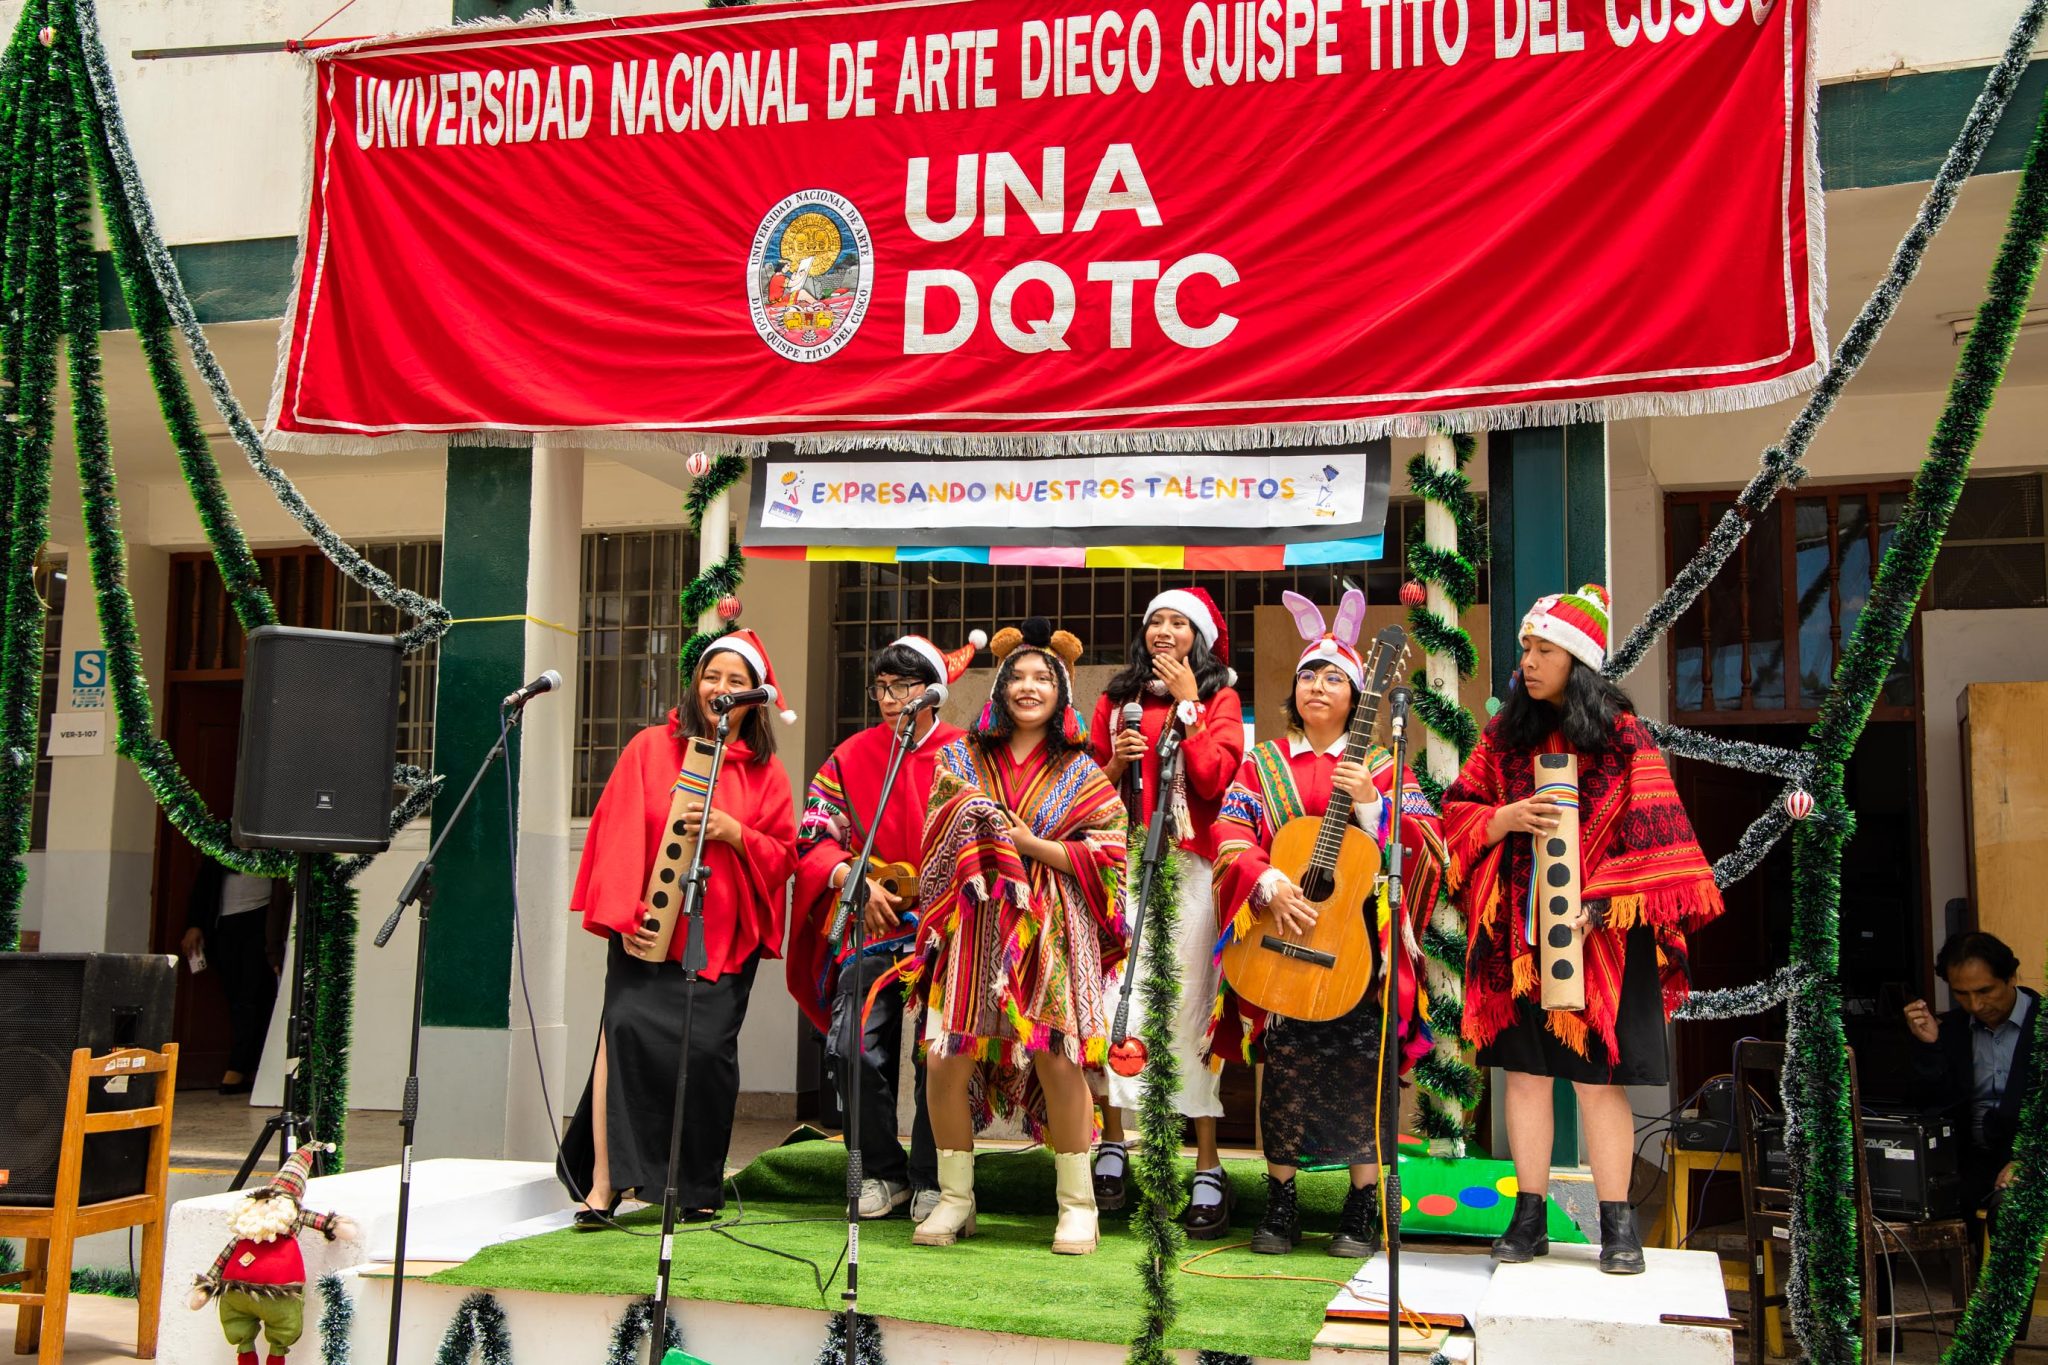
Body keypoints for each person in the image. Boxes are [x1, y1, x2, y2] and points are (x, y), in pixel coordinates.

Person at [1444, 584, 1724, 1274]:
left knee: (1598, 1081)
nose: (1527, 662)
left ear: (1578, 659)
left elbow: (1662, 835)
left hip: (1603, 938)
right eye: (1526, 650)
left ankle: (1618, 1224)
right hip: (1522, 939)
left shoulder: (1623, 733)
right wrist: (1503, 819)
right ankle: (1529, 1215)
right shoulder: (1503, 736)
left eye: (1542, 649)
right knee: (1526, 1077)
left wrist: (1600, 906)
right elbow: (1457, 810)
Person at [1209, 588, 1446, 1258]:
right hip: (1284, 940)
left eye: (1334, 675)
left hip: (1356, 946)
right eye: (1309, 673)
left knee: (1361, 1071)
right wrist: (1267, 879)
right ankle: (1281, 1202)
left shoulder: (1381, 766)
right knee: (1284, 1071)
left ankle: (1361, 1204)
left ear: (1359, 693)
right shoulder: (1263, 762)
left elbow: (1428, 843)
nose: (1318, 684)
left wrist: (1374, 809)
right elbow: (1229, 829)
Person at [558, 630, 799, 1227]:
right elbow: (614, 834)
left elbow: (785, 855)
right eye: (711, 676)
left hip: (721, 940)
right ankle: (604, 1186)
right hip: (646, 931)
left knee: (708, 1053)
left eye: (735, 682)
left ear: (755, 698)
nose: (720, 688)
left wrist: (733, 832)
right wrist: (626, 916)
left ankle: (695, 1186)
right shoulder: (648, 748)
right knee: (624, 1036)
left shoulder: (766, 774)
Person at [907, 617, 1129, 1255]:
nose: (1028, 688)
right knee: (947, 1060)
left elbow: (1111, 851)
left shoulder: (1084, 770)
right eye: (1017, 678)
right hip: (973, 929)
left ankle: (1077, 1205)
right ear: (998, 689)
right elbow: (938, 834)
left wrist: (1028, 844)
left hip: (1053, 933)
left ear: (1063, 693)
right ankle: (955, 1201)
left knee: (1060, 1060)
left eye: (1043, 678)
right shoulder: (959, 757)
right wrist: (972, 820)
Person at [787, 631, 981, 1224]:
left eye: (905, 687)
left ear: (935, 693)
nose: (893, 699)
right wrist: (852, 879)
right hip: (871, 922)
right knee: (851, 1046)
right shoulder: (848, 757)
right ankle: (879, 1170)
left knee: (937, 1054)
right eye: (883, 688)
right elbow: (812, 836)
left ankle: (929, 1176)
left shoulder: (968, 752)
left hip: (946, 926)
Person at [1086, 586, 1246, 1238]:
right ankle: (1113, 1145)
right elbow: (1084, 790)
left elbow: (1213, 780)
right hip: (1124, 864)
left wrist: (1190, 706)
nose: (1164, 631)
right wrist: (1110, 762)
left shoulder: (1223, 699)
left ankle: (1206, 1162)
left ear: (1198, 638)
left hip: (1194, 869)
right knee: (1113, 1002)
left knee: (1190, 1010)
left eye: (1179, 622)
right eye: (1156, 620)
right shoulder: (1114, 699)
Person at [1904, 931, 2037, 1209]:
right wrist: (1930, 1046)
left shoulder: (2042, 1024)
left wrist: (2032, 1157)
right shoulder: (1951, 1029)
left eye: (1985, 991)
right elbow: (1930, 1105)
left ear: (2011, 978)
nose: (1975, 1005)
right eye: (1962, 994)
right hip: (1968, 1165)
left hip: (2032, 1160)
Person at [181, 856, 292, 1095]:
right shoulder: (220, 847)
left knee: (251, 997)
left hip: (261, 924)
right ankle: (247, 1064)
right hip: (226, 926)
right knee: (236, 998)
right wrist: (195, 924)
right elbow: (204, 888)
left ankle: (240, 1065)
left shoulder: (275, 848)